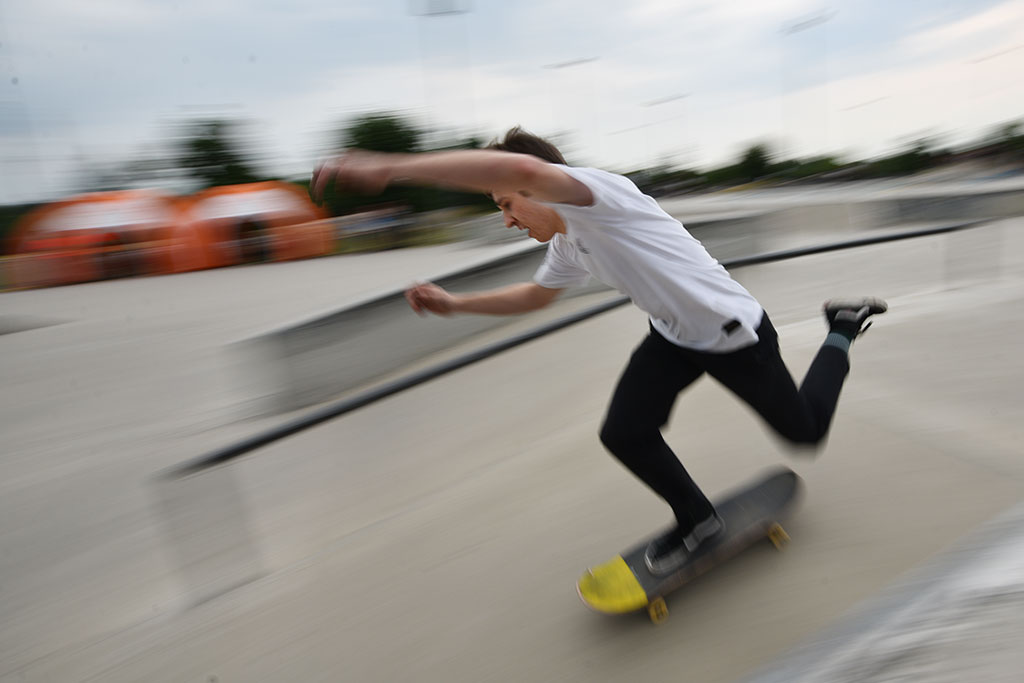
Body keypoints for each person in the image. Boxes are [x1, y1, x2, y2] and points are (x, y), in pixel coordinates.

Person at [311, 127, 886, 576]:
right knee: (624, 433)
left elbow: (518, 166)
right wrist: (454, 304)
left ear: (540, 184)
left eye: (508, 204)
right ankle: (698, 520)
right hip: (674, 338)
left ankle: (841, 326)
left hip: (735, 336)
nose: (507, 219)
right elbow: (535, 296)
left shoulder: (598, 195)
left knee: (805, 433)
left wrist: (388, 166)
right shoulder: (568, 240)